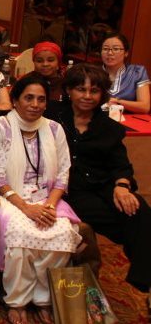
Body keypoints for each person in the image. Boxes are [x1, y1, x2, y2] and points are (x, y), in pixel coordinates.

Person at [45, 64, 151, 312]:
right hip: (68, 190)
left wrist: (122, 186)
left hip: (104, 187)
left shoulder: (109, 127)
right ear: (69, 90)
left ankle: (146, 284)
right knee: (129, 225)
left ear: (102, 94)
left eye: (94, 90)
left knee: (140, 211)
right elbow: (11, 116)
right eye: (80, 89)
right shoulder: (52, 115)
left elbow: (121, 165)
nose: (87, 96)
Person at [0, 74, 81, 324]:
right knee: (19, 235)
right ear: (15, 100)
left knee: (60, 231)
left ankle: (43, 299)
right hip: (10, 197)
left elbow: (63, 174)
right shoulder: (0, 127)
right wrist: (26, 208)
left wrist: (49, 205)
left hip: (47, 198)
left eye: (41, 99)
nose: (35, 104)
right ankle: (16, 300)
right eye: (28, 98)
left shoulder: (54, 128)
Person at [101, 34, 150, 114]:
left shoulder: (137, 72)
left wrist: (117, 102)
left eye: (116, 49)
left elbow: (145, 107)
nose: (110, 53)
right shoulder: (93, 72)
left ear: (126, 53)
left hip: (127, 121)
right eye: (105, 49)